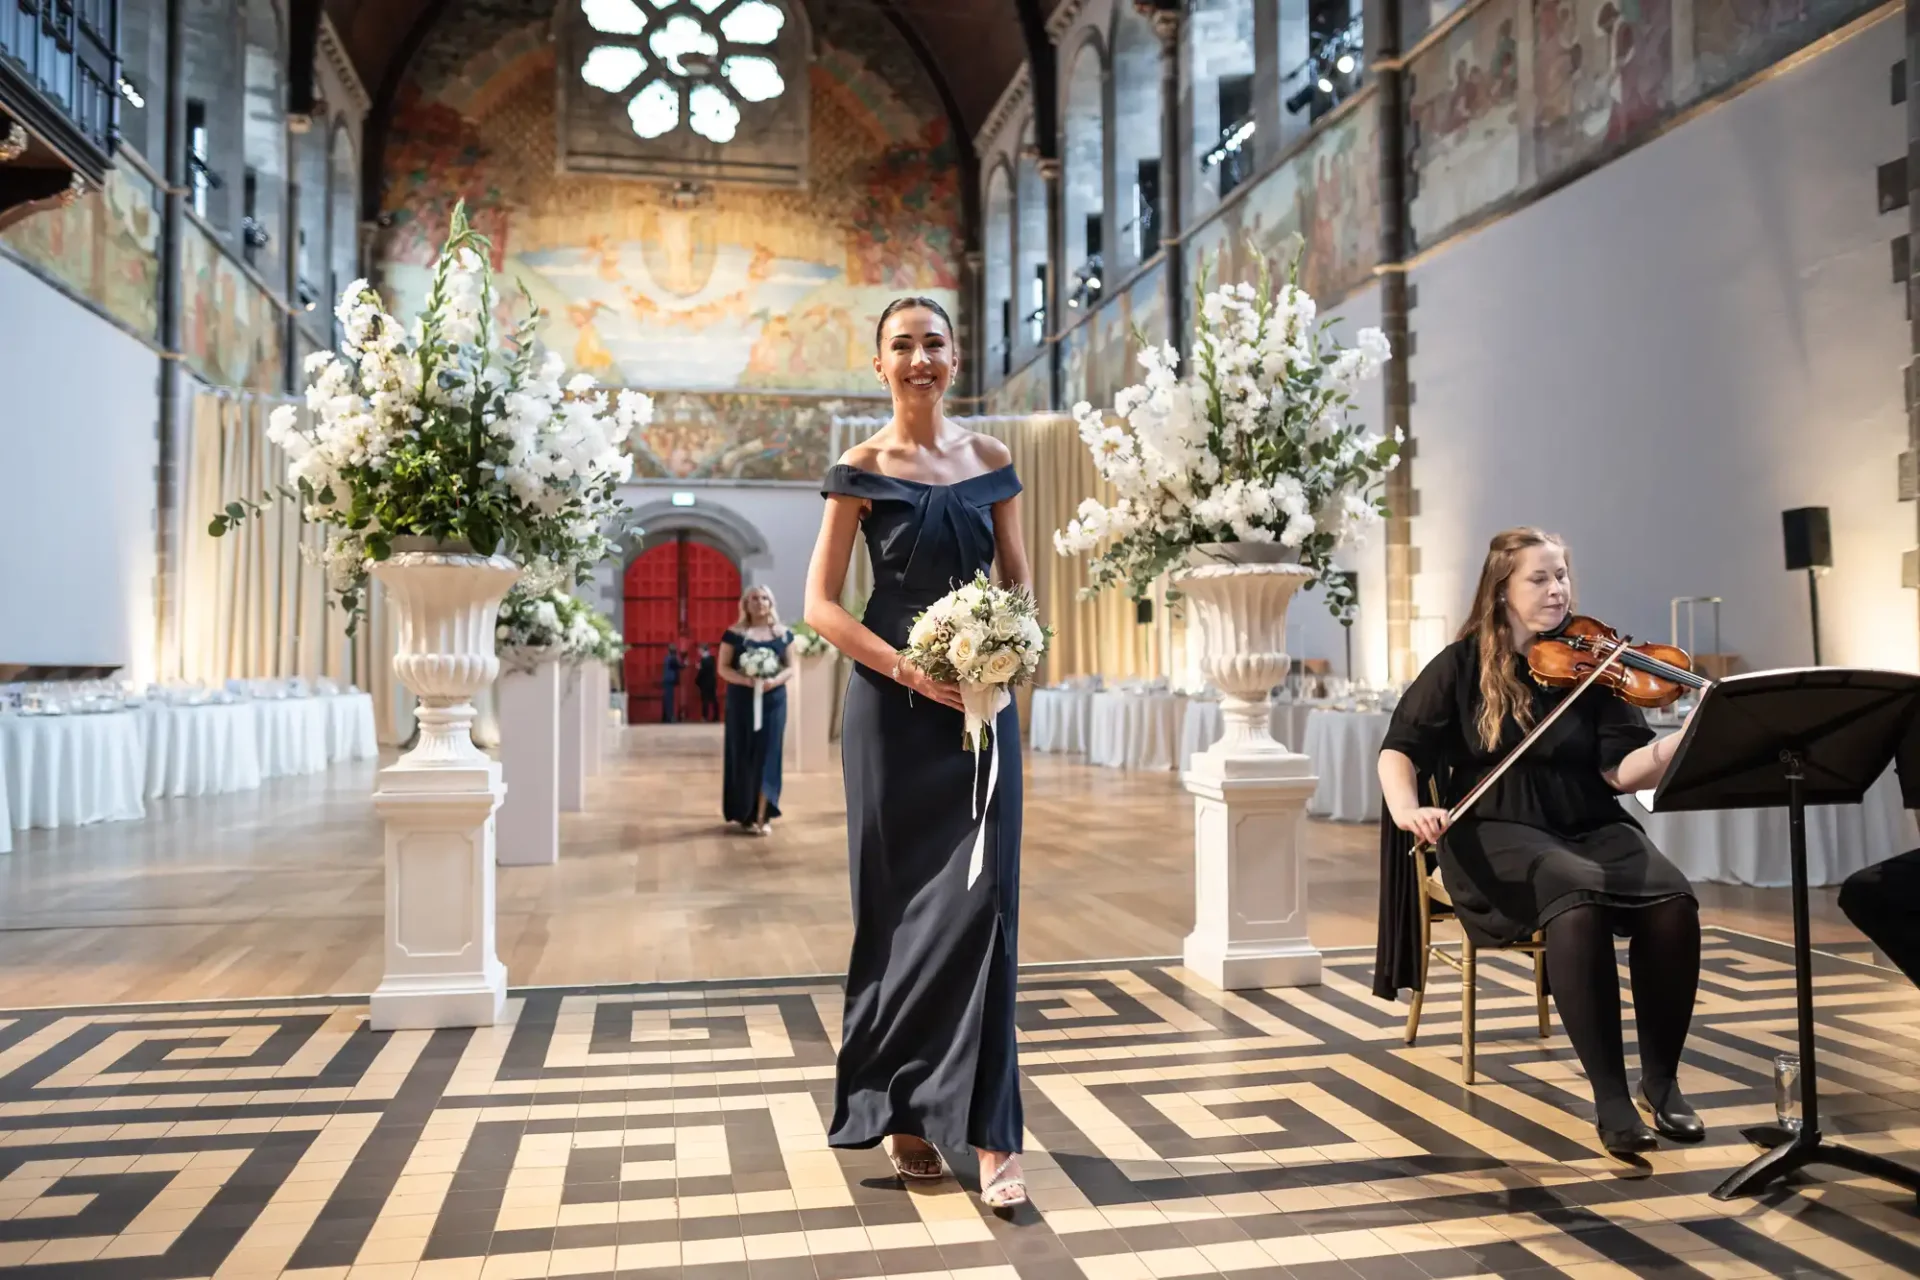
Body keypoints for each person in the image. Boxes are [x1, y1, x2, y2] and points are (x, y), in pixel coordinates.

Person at [803, 296, 1032, 1209]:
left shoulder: (994, 461)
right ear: (879, 365)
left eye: (934, 342)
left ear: (955, 353)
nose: (920, 358)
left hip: (981, 712)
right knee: (898, 915)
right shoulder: (859, 470)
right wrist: (906, 669)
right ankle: (903, 1113)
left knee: (988, 915)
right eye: (903, 345)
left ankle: (992, 1135)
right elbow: (821, 605)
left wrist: (1008, 651)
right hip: (893, 720)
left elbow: (1017, 579)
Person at [1376, 527, 1704, 1158]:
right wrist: (1408, 809)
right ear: (1501, 590)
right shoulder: (1461, 665)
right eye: (1540, 578)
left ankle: (1661, 1083)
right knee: (1574, 896)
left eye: (1562, 576)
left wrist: (1671, 747)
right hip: (1492, 830)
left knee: (1673, 902)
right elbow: (1399, 751)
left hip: (1586, 822)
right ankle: (1610, 1099)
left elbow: (1621, 772)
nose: (1558, 590)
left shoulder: (1598, 664)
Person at [718, 588, 792, 836]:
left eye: (763, 598)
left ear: (771, 602)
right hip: (741, 701)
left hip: (774, 700)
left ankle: (764, 814)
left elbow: (790, 668)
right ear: (745, 604)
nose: (759, 602)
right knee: (743, 752)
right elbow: (724, 668)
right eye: (753, 598)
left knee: (770, 753)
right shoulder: (734, 635)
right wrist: (745, 680)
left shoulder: (782, 634)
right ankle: (744, 812)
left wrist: (775, 680)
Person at [660, 640, 684, 724]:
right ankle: (670, 717)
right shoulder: (673, 658)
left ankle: (666, 717)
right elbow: (679, 666)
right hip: (670, 681)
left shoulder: (667, 658)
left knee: (667, 699)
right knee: (669, 700)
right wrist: (685, 662)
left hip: (666, 680)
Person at [695, 644, 719, 722]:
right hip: (712, 682)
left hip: (705, 683)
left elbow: (703, 672)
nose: (698, 651)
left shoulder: (704, 660)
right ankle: (716, 716)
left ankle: (704, 717)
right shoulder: (712, 658)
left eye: (699, 650)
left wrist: (697, 680)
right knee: (713, 699)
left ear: (702, 650)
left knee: (705, 700)